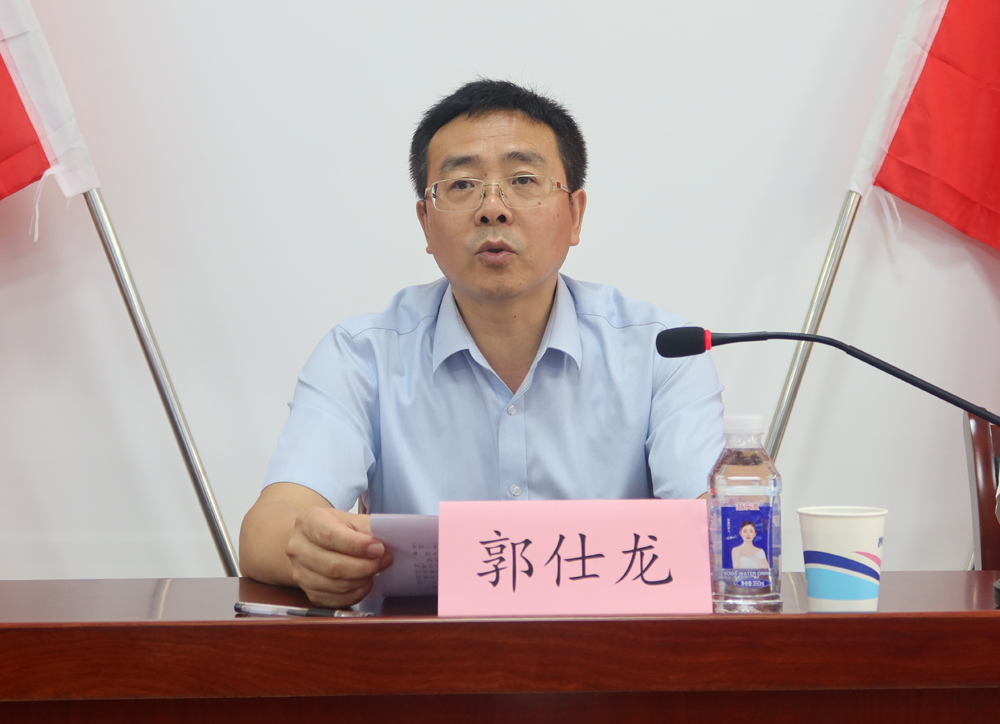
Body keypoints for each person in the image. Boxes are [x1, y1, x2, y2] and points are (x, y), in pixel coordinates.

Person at [240, 80, 725, 607]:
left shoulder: (662, 352)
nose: (493, 208)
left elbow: (714, 532)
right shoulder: (362, 356)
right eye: (462, 185)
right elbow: (269, 526)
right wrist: (308, 552)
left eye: (523, 180)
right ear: (426, 223)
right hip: (420, 652)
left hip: (611, 649)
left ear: (575, 214)